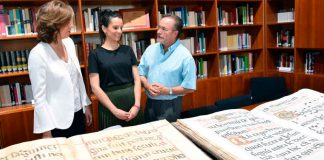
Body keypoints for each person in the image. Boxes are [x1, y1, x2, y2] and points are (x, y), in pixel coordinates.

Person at [28, 0, 92, 138]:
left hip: (78, 114)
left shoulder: (69, 43)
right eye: (68, 22)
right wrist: (46, 132)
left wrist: (85, 105)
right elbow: (40, 98)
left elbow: (77, 79)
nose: (72, 25)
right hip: (57, 121)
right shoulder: (38, 54)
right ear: (55, 24)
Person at [88, 9, 143, 130]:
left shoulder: (128, 50)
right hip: (109, 106)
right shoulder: (95, 54)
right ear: (104, 29)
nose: (119, 31)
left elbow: (137, 80)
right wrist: (114, 110)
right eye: (115, 27)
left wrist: (137, 106)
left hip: (132, 103)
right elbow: (95, 87)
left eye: (121, 28)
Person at [138, 14, 197, 122]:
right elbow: (140, 72)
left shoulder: (185, 56)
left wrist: (167, 90)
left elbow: (190, 87)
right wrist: (146, 85)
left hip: (170, 105)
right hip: (149, 102)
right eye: (159, 27)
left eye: (164, 29)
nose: (158, 32)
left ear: (175, 33)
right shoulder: (150, 49)